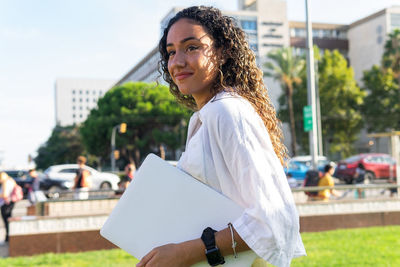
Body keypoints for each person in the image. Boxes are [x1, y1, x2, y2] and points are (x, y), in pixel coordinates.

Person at [137, 6, 306, 267]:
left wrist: (185, 253)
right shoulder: (202, 118)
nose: (177, 61)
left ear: (223, 51)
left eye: (192, 47)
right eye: (171, 52)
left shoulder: (227, 111)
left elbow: (272, 221)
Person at [0, 172, 17, 242]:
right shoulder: (11, 181)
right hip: (10, 203)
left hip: (5, 203)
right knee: (9, 220)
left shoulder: (5, 183)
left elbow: (5, 194)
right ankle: (10, 237)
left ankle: (8, 238)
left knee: (6, 221)